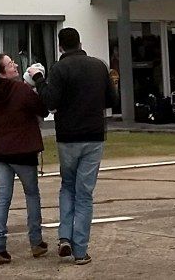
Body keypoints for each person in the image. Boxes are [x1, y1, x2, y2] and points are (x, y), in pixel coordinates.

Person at [33, 27, 119, 265]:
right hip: (94, 135)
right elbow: (113, 100)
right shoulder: (98, 66)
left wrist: (40, 80)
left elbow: (50, 102)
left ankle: (64, 237)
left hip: (68, 136)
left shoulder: (59, 69)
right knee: (85, 194)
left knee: (67, 186)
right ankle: (80, 250)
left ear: (60, 46)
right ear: (80, 43)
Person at [0, 53, 49, 265]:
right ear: (3, 73)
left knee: (3, 198)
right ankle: (36, 242)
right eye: (11, 64)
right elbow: (42, 110)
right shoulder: (21, 89)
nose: (16, 66)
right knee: (31, 194)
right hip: (22, 151)